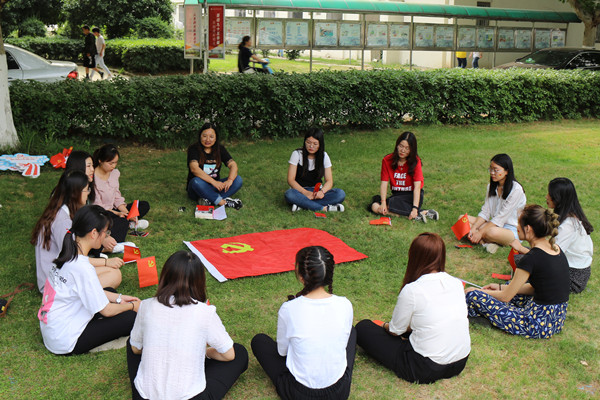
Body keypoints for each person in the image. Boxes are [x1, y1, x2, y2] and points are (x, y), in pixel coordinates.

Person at [127, 251, 248, 400]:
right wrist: (205, 352)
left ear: (165, 276)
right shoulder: (205, 312)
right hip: (190, 397)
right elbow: (229, 354)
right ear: (199, 281)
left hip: (144, 396)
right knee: (239, 352)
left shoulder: (146, 306)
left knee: (133, 341)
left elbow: (135, 349)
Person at [356, 233, 470, 384]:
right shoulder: (456, 283)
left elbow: (395, 330)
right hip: (460, 362)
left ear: (414, 257)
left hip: (425, 367)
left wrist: (383, 325)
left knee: (363, 327)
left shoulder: (412, 290)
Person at [251, 246, 356, 400]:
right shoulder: (345, 304)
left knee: (259, 341)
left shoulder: (289, 308)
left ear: (301, 277)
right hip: (339, 392)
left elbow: (282, 351)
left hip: (299, 394)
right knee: (351, 331)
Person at [38, 205, 140, 355]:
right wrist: (132, 306)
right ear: (93, 233)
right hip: (66, 340)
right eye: (106, 233)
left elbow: (90, 291)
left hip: (53, 329)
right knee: (131, 318)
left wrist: (119, 298)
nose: (106, 236)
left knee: (110, 292)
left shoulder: (67, 253)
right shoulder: (82, 268)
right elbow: (107, 311)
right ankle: (100, 343)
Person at [465, 205, 570, 339]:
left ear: (528, 229)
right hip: (555, 320)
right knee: (509, 287)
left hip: (535, 324)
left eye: (519, 223)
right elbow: (537, 288)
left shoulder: (531, 258)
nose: (516, 227)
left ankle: (482, 315)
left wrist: (478, 291)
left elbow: (505, 297)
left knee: (473, 296)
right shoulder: (555, 248)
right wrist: (501, 287)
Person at [31, 170, 122, 292]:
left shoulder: (59, 211)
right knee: (114, 275)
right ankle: (81, 296)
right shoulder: (62, 221)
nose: (88, 193)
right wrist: (105, 262)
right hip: (56, 283)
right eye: (86, 190)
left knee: (113, 273)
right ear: (76, 193)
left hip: (59, 274)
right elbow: (73, 258)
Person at [512, 178, 593, 293]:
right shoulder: (569, 217)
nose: (546, 197)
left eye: (550, 194)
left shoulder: (568, 225)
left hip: (573, 277)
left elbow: (551, 258)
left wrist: (521, 248)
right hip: (571, 266)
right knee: (525, 257)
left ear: (558, 198)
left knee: (524, 260)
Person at [370, 131, 438, 222]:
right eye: (401, 146)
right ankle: (423, 213)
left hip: (412, 195)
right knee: (375, 207)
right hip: (397, 195)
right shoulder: (387, 160)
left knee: (388, 204)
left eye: (407, 148)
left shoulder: (415, 161)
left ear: (412, 150)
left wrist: (415, 208)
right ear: (397, 145)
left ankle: (415, 213)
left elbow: (417, 187)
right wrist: (383, 202)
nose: (403, 150)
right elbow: (384, 183)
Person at [467, 153, 526, 253]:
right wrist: (474, 227)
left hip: (511, 230)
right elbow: (485, 212)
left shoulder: (516, 190)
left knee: (491, 232)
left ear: (507, 171)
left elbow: (500, 218)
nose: (492, 173)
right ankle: (485, 242)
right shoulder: (491, 186)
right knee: (463, 219)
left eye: (496, 170)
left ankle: (483, 239)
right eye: (490, 169)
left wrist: (480, 232)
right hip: (494, 224)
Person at [93, 144, 150, 245]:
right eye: (110, 163)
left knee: (144, 205)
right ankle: (126, 223)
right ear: (100, 161)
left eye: (115, 163)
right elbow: (98, 207)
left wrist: (128, 213)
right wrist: (118, 214)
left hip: (115, 209)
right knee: (120, 221)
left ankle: (129, 222)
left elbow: (117, 198)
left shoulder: (114, 174)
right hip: (103, 213)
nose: (113, 166)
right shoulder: (93, 178)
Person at [66, 150, 118, 253]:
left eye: (92, 166)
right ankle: (100, 249)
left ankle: (101, 246)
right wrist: (102, 237)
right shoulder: (69, 192)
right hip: (80, 235)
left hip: (90, 229)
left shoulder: (88, 185)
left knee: (116, 222)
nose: (92, 170)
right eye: (88, 166)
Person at [285, 128, 345, 212]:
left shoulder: (324, 156)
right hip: (300, 191)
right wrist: (305, 193)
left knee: (340, 194)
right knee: (289, 194)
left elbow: (329, 181)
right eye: (308, 142)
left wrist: (322, 192)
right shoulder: (297, 154)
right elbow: (290, 180)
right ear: (304, 142)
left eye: (315, 144)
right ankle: (323, 208)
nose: (311, 146)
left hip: (317, 192)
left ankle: (302, 205)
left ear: (320, 144)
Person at [187, 122, 243, 209]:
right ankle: (222, 202)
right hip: (197, 187)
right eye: (204, 136)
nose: (207, 139)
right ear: (200, 136)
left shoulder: (220, 149)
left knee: (238, 180)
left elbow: (233, 165)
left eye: (211, 137)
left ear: (216, 138)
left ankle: (208, 199)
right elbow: (194, 169)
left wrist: (230, 180)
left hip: (214, 187)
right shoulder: (193, 149)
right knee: (196, 181)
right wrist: (214, 182)